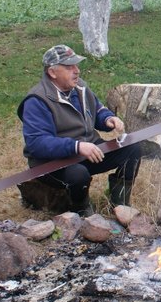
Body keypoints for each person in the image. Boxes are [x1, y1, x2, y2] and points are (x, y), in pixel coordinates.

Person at [17, 44, 142, 215]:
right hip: (53, 163)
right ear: (52, 72)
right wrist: (76, 146)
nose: (77, 71)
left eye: (76, 65)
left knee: (132, 147)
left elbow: (96, 109)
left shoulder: (80, 87)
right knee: (78, 174)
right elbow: (37, 143)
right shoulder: (37, 101)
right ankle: (80, 210)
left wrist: (108, 118)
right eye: (69, 67)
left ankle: (119, 203)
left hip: (88, 150)